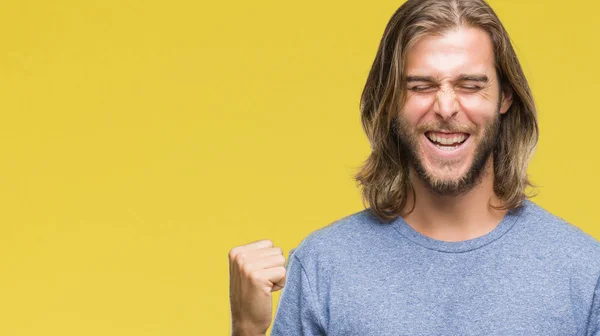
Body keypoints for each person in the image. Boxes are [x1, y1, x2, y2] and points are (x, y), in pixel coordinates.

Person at [228, 0, 600, 335]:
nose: (446, 107)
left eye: (470, 85)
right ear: (389, 101)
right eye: (421, 86)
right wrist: (246, 330)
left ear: (504, 97)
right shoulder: (323, 267)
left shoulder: (584, 274)